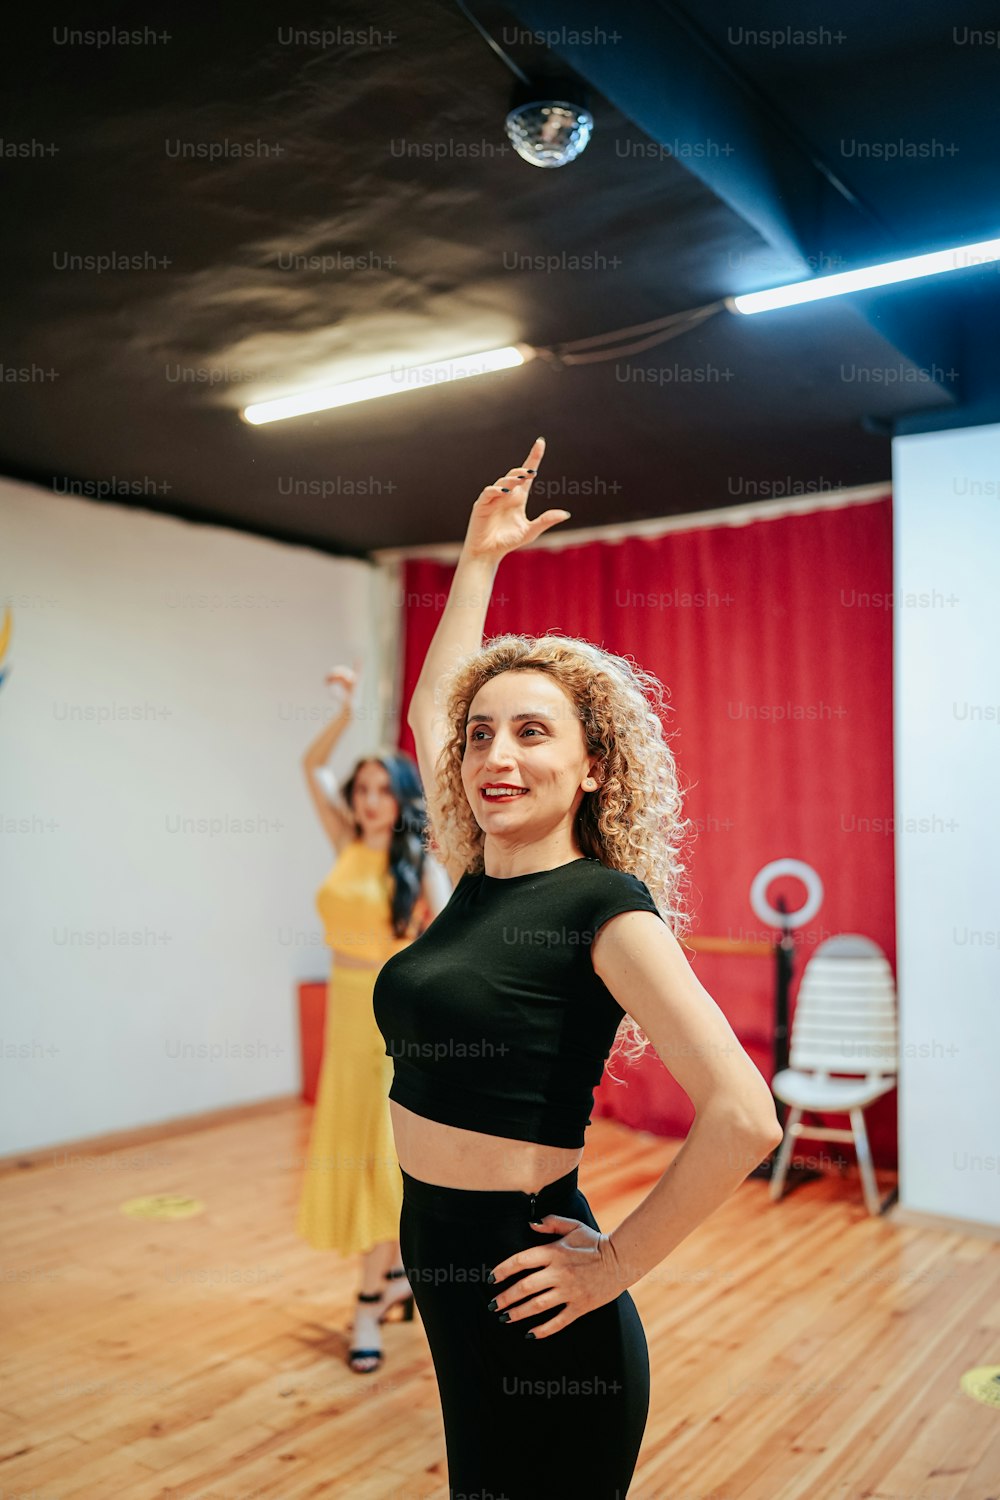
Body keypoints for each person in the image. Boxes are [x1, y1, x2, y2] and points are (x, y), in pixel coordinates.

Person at [372, 438, 784, 1496]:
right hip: (443, 1257)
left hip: (532, 1284)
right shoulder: (476, 878)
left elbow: (744, 1114)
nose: (494, 756)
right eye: (480, 737)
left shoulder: (604, 906)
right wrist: (478, 564)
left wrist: (614, 1263)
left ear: (594, 766)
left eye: (530, 733)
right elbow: (426, 715)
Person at [295, 664, 451, 1374]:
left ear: (403, 797)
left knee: (384, 1162)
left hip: (393, 1019)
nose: (368, 800)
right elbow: (310, 765)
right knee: (356, 1153)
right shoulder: (344, 841)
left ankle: (367, 1303)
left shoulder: (420, 864)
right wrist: (344, 711)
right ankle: (394, 1279)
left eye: (382, 788)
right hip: (344, 1018)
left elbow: (450, 946)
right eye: (362, 789)